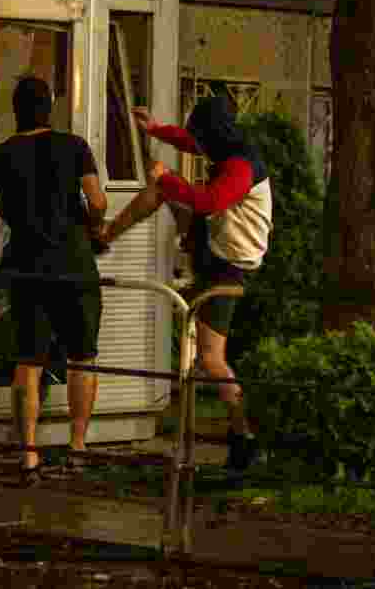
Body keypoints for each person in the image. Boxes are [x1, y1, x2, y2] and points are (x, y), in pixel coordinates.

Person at [98, 94, 273, 474]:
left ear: (215, 133)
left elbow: (208, 201)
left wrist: (169, 180)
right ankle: (106, 236)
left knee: (212, 357)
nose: (199, 145)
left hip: (230, 265)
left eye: (202, 137)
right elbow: (189, 142)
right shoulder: (227, 145)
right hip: (216, 247)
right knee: (163, 189)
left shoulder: (242, 167)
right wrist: (156, 129)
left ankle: (247, 438)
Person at [0, 77, 108, 484]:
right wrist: (93, 226)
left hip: (27, 266)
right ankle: (77, 448)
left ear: (15, 110)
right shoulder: (74, 146)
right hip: (74, 264)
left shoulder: (2, 155)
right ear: (51, 106)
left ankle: (29, 456)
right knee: (83, 355)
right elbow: (97, 202)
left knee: (28, 362)